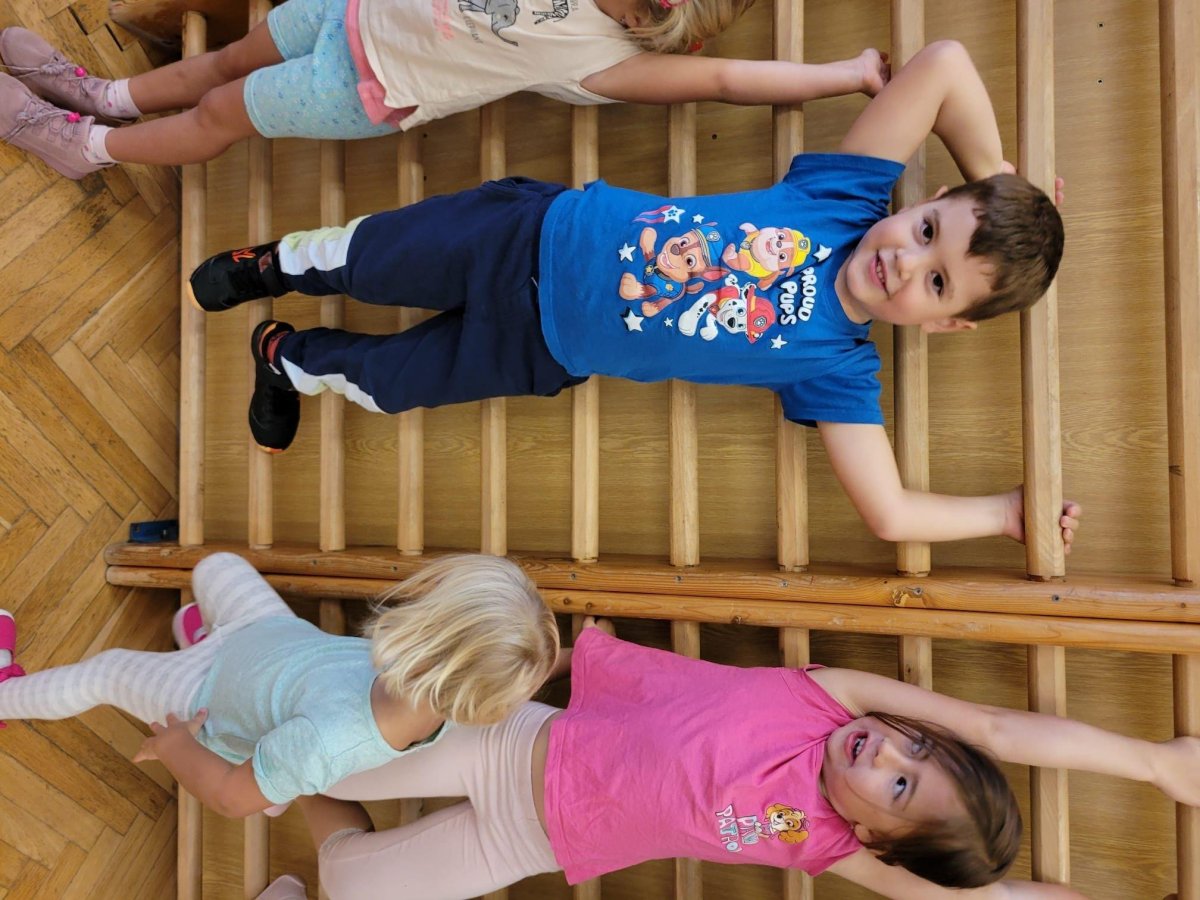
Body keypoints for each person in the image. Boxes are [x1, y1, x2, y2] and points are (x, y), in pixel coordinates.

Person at [184, 39, 1078, 552]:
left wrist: (1004, 515)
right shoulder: (844, 200)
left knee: (388, 385)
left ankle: (285, 357)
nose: (905, 262)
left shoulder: (836, 371)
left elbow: (889, 513)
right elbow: (946, 65)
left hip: (540, 351)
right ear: (921, 201)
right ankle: (271, 266)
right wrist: (1001, 179)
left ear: (946, 326)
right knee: (371, 257)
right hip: (524, 235)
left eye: (936, 283)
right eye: (926, 230)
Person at [239, 621, 1200, 900]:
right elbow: (994, 729)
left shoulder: (831, 845)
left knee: (353, 886)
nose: (888, 749)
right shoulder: (835, 700)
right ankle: (249, 684)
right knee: (322, 759)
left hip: (532, 845)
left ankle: (301, 845)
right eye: (913, 744)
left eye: (900, 783)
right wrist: (1156, 764)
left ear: (875, 834)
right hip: (513, 741)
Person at [0, 4, 889, 179]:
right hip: (349, 13)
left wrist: (846, 75)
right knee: (225, 60)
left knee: (219, 114)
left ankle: (86, 147)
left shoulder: (606, 58)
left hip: (365, 85)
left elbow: (729, 78)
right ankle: (103, 95)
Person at [0, 552, 559, 817]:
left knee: (105, 672)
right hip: (265, 640)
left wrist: (175, 747)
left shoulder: (326, 740)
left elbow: (230, 797)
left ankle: (5, 693)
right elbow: (513, 667)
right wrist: (570, 659)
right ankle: (200, 637)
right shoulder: (448, 692)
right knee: (216, 567)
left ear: (425, 640)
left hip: (202, 699)